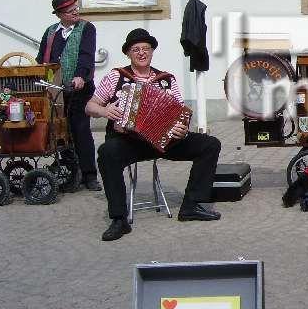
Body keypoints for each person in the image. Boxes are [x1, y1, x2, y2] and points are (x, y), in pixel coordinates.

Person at [86, 28, 222, 241]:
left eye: (146, 49)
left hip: (162, 141)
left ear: (151, 52)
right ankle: (119, 219)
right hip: (127, 141)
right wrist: (104, 111)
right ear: (128, 54)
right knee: (106, 152)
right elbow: (90, 106)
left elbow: (181, 113)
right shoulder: (116, 77)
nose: (141, 53)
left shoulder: (166, 80)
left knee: (210, 144)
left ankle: (191, 205)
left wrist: (182, 128)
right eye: (136, 49)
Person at [36, 0, 100, 191]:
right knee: (61, 130)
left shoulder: (86, 28)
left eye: (76, 8)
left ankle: (90, 175)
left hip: (80, 89)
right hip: (57, 90)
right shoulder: (51, 32)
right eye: (71, 11)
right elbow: (41, 59)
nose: (76, 12)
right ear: (60, 14)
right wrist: (44, 79)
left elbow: (86, 55)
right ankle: (71, 171)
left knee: (80, 129)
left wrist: (80, 75)